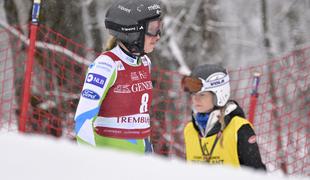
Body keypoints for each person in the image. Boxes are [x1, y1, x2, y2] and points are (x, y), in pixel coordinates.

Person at [74, 0, 162, 153]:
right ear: (133, 32)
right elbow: (82, 120)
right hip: (114, 160)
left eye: (159, 27)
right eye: (153, 29)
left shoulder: (145, 62)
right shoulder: (106, 65)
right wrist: (92, 161)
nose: (158, 36)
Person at [182, 64, 266, 170]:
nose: (196, 99)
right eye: (193, 94)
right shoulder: (189, 130)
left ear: (219, 95)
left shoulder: (239, 128)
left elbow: (257, 173)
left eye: (202, 94)